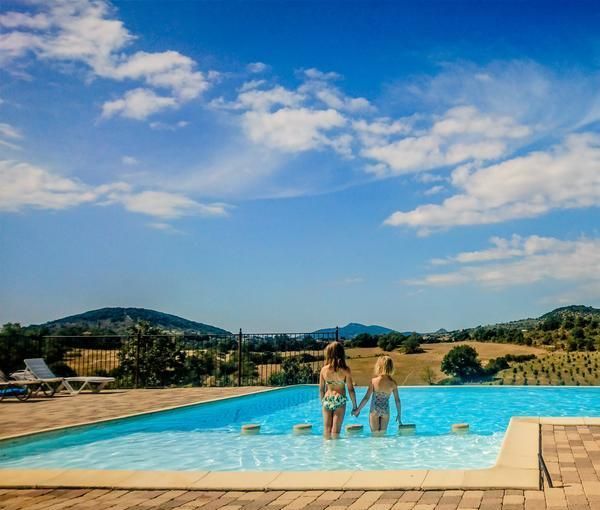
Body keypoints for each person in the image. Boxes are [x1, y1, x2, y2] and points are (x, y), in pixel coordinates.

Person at [352, 355, 401, 434]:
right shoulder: (393, 383)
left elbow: (366, 398)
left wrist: (358, 410)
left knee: (375, 435)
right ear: (391, 368)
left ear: (379, 367)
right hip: (385, 411)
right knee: (382, 434)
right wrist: (399, 414)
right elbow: (397, 400)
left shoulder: (374, 381)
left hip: (374, 411)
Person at [319, 341, 357, 438]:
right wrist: (354, 406)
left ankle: (326, 446)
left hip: (327, 399)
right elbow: (351, 390)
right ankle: (335, 447)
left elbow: (321, 389)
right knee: (335, 430)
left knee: (327, 429)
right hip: (339, 399)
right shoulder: (345, 370)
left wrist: (322, 402)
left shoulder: (323, 370)